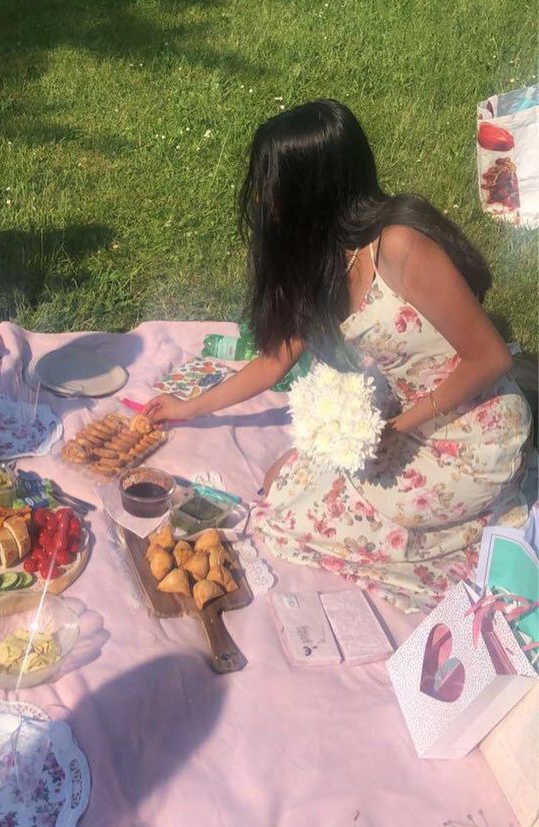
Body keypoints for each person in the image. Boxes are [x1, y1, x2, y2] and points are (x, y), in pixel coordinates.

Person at [144, 99, 532, 614]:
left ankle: (486, 520)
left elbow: (490, 359)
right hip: (406, 417)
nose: (261, 196)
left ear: (313, 187)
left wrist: (392, 428)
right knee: (283, 493)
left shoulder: (399, 247)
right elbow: (276, 359)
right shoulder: (322, 255)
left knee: (311, 524)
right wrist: (187, 407)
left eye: (271, 182)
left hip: (476, 429)